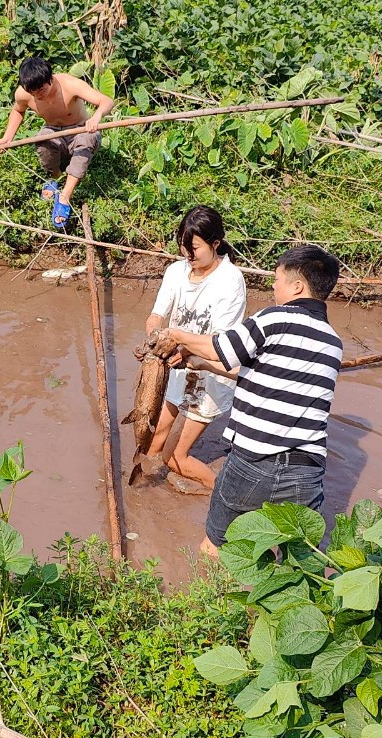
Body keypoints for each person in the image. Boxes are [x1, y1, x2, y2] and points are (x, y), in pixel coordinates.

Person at [156, 243, 343, 557]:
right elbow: (264, 374)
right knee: (296, 562)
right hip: (307, 472)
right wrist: (202, 365)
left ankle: (208, 584)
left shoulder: (274, 319)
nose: (273, 287)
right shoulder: (332, 342)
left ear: (298, 286)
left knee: (217, 547)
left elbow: (219, 347)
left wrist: (176, 335)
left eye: (278, 280)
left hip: (254, 462)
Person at [144, 206, 247, 495]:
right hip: (177, 367)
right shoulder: (176, 272)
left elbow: (220, 341)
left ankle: (221, 495)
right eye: (183, 247)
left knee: (174, 458)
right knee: (153, 443)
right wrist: (154, 340)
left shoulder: (230, 280)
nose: (188, 255)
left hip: (210, 374)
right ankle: (152, 496)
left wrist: (184, 348)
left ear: (215, 244)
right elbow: (155, 317)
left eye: (195, 249)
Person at [0, 56, 115, 228]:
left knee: (87, 139)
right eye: (32, 92)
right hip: (53, 131)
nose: (38, 95)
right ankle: (55, 178)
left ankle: (64, 197)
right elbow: (18, 111)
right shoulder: (23, 93)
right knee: (42, 138)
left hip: (81, 130)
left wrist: (96, 117)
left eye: (41, 90)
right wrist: (7, 138)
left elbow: (106, 101)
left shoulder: (69, 85)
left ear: (50, 79)